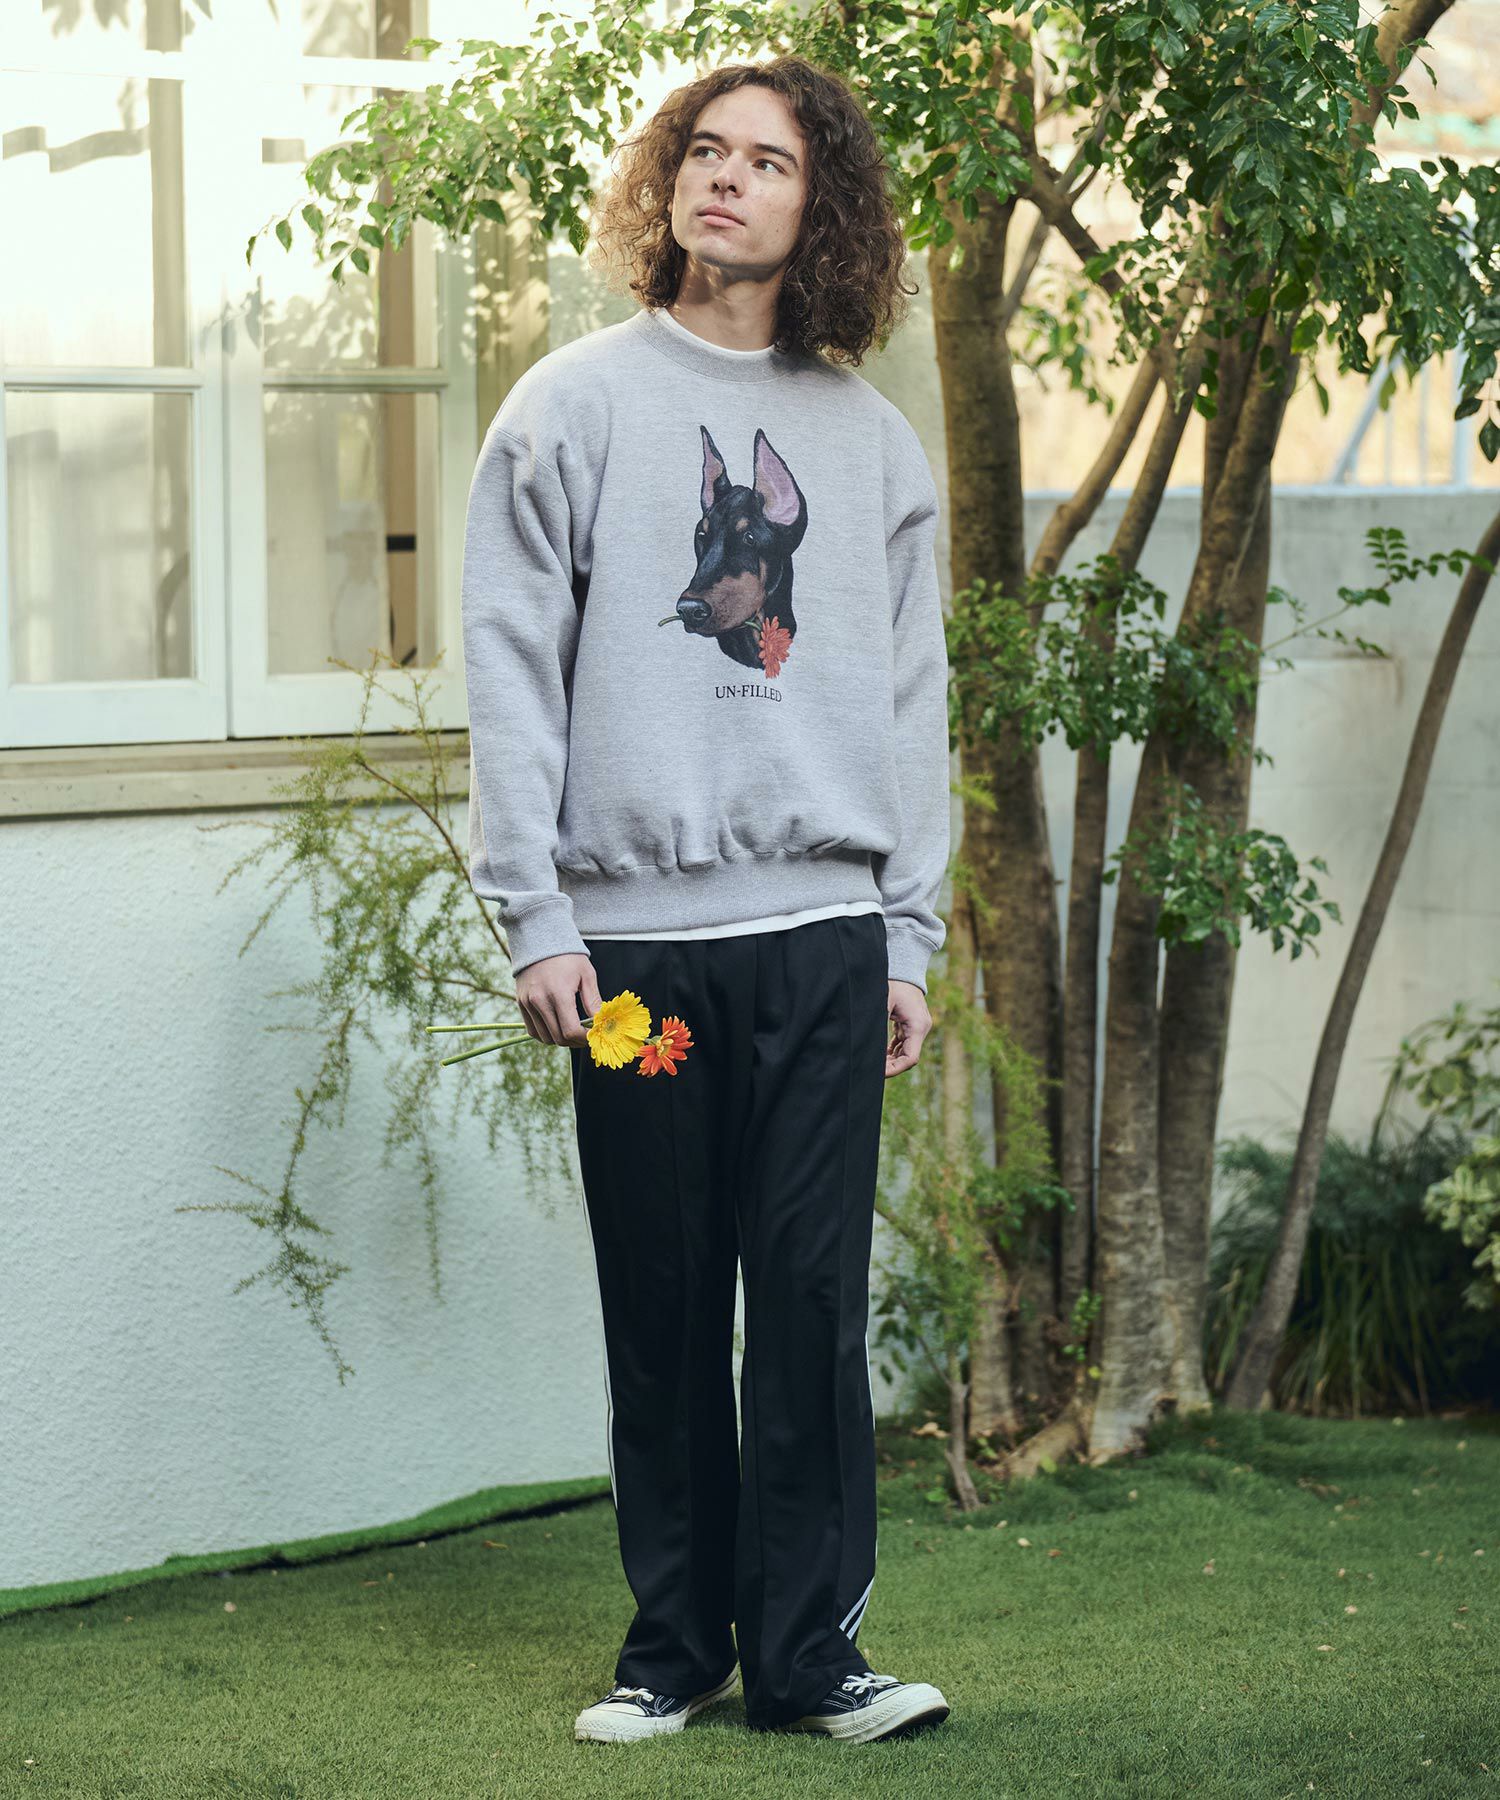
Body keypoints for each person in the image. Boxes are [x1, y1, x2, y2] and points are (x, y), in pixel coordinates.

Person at [459, 53, 952, 1747]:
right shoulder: (570, 408)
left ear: (825, 212)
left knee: (806, 1304)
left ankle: (813, 1662)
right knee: (664, 1301)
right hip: (635, 959)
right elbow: (510, 665)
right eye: (707, 151)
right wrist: (536, 913)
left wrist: (906, 934)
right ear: (667, 183)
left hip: (821, 944)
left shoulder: (869, 443)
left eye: (770, 162)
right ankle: (674, 1650)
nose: (727, 179)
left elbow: (913, 700)